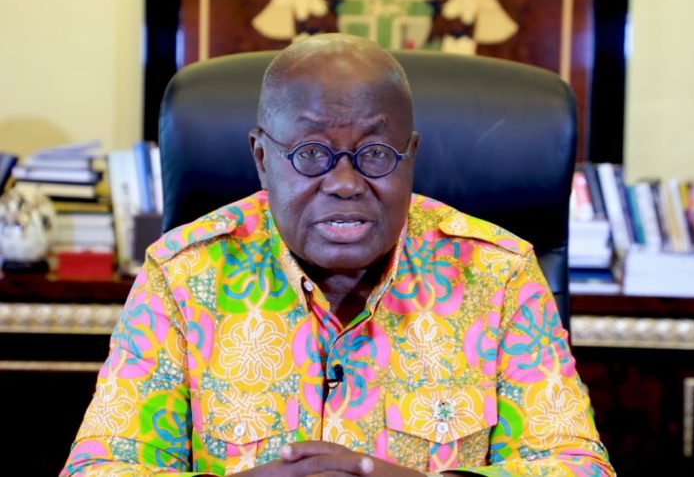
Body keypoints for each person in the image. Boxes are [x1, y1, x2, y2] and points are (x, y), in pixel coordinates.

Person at [61, 33, 615, 477]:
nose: (345, 183)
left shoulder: (497, 274)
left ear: (411, 156)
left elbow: (575, 466)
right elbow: (102, 466)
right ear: (261, 158)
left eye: (375, 153)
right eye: (310, 154)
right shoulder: (182, 275)